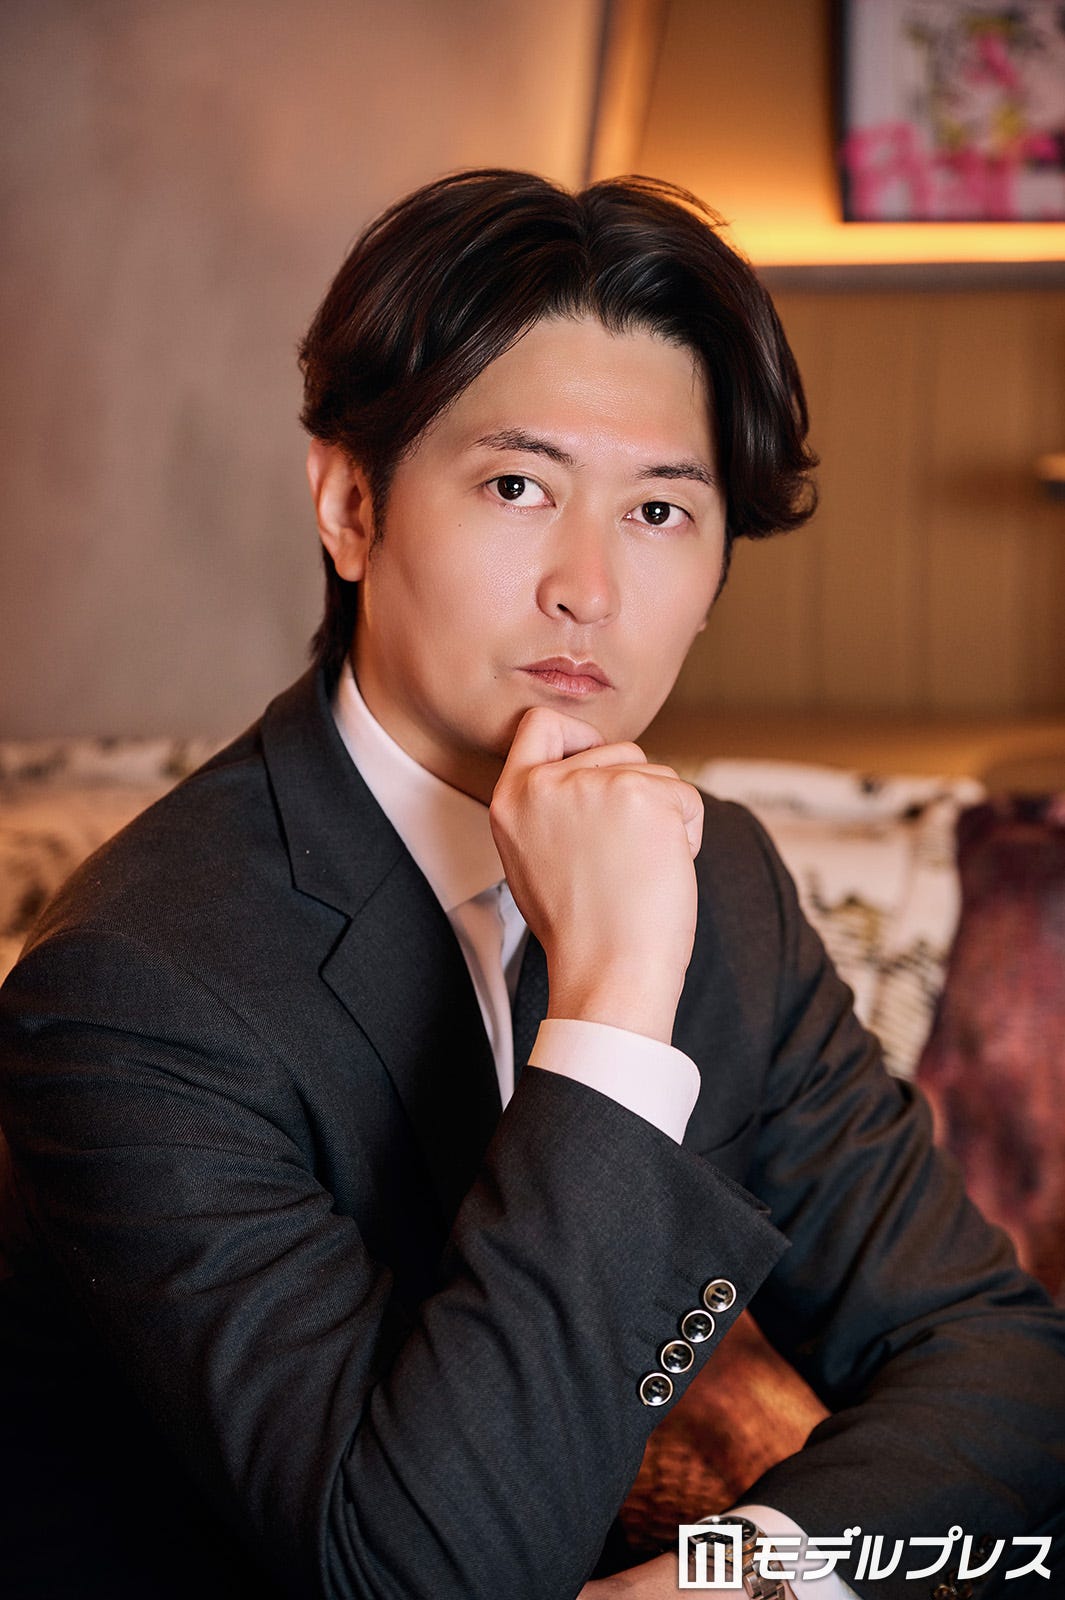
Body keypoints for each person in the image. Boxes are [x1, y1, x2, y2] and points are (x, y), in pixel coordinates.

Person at [0, 168, 1062, 1600]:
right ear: (351, 506)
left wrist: (735, 1582)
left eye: (661, 511)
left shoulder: (723, 880)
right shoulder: (135, 987)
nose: (589, 588)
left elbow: (995, 1353)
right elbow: (421, 1575)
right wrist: (616, 1002)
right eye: (518, 486)